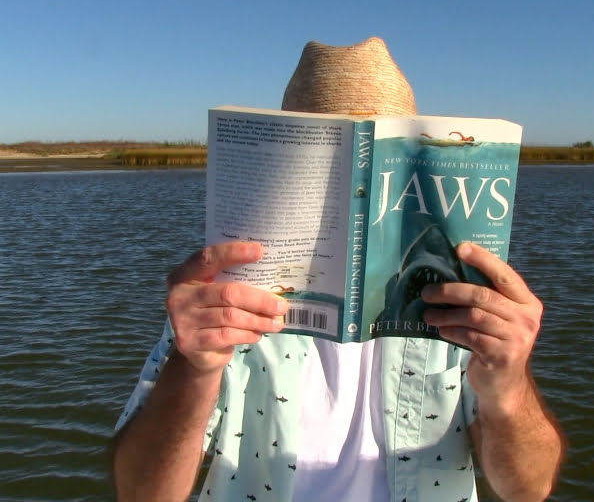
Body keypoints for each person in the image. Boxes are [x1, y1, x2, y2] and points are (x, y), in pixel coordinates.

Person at [112, 37, 564, 502]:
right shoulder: (218, 298)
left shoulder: (461, 299)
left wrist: (508, 385)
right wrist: (194, 369)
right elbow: (141, 494)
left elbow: (528, 489)